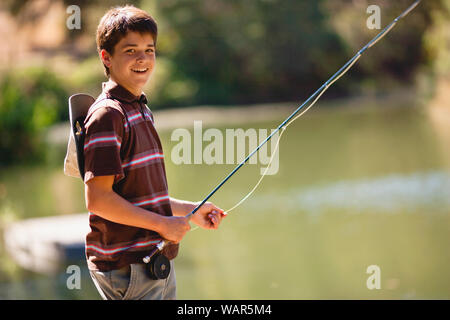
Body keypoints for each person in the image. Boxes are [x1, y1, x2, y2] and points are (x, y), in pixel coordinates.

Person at [84, 5, 225, 300]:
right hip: (129, 268)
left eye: (149, 50)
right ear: (106, 58)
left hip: (151, 260)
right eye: (131, 50)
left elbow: (141, 196)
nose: (143, 58)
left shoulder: (139, 109)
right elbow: (98, 199)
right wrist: (162, 224)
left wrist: (191, 211)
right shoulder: (108, 115)